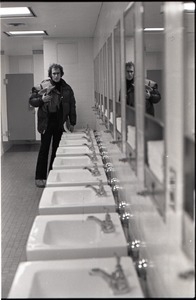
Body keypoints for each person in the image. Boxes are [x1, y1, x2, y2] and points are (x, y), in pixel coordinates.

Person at [29, 63, 77, 187]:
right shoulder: (44, 85)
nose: (56, 76)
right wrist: (41, 100)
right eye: (54, 73)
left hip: (60, 122)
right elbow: (31, 100)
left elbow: (72, 105)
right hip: (46, 122)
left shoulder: (67, 89)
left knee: (57, 150)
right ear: (51, 74)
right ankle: (40, 177)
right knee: (44, 149)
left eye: (58, 73)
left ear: (61, 74)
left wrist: (72, 122)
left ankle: (53, 175)